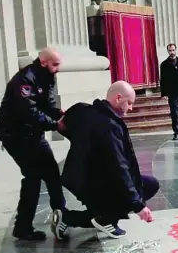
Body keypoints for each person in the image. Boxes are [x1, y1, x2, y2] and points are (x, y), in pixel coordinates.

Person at [51, 81, 159, 240]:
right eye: (129, 103)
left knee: (147, 184)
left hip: (81, 178)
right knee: (121, 205)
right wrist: (138, 206)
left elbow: (62, 124)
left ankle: (83, 217)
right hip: (94, 185)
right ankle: (72, 218)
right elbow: (119, 167)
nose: (130, 108)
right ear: (118, 97)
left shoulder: (83, 109)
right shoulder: (109, 126)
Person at [0, 48, 66, 241]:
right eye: (55, 64)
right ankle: (22, 227)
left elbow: (48, 104)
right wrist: (54, 124)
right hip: (15, 135)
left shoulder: (47, 76)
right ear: (43, 62)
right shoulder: (24, 80)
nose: (58, 69)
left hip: (33, 134)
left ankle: (64, 215)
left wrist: (59, 114)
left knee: (51, 172)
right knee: (33, 177)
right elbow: (29, 112)